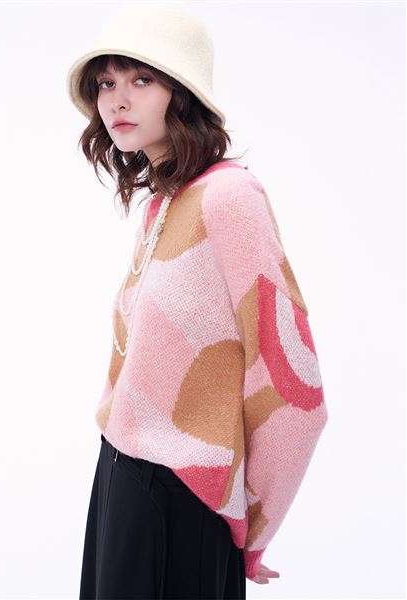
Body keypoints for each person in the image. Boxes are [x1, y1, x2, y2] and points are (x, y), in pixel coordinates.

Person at [66, 2, 328, 599]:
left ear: (181, 93)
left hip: (183, 499)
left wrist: (251, 522)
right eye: (106, 82)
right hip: (119, 481)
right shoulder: (162, 203)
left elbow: (295, 387)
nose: (116, 100)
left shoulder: (229, 197)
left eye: (141, 79)